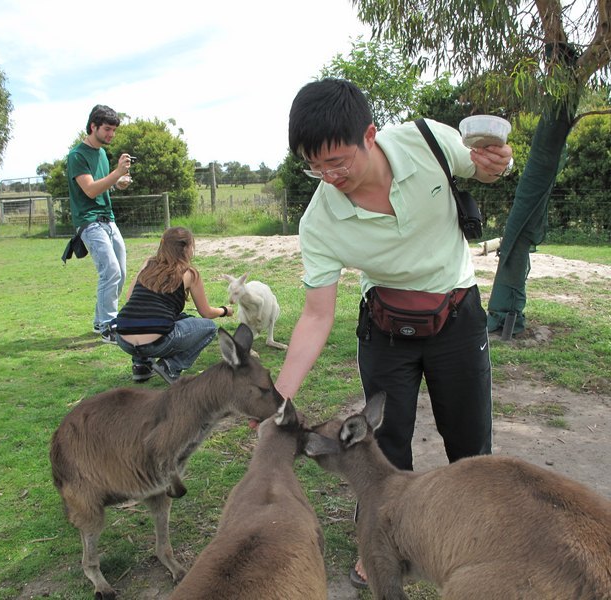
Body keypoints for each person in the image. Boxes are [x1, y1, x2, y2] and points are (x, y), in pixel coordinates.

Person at [275, 78, 514, 588]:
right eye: (314, 166)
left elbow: (482, 166)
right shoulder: (320, 221)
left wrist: (498, 163)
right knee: (383, 444)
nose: (328, 176)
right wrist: (280, 396)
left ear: (370, 135)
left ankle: (477, 537)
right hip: (385, 329)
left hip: (457, 315)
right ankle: (380, 544)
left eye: (337, 161)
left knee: (471, 442)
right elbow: (316, 315)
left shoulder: (426, 140)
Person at [114, 226, 234, 384]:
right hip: (155, 343)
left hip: (123, 338)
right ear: (185, 248)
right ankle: (170, 366)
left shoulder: (148, 263)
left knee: (150, 316)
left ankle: (141, 366)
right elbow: (206, 313)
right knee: (209, 328)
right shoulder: (189, 273)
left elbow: (130, 298)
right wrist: (224, 310)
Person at [67, 104, 133, 344]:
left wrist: (118, 183)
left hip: (108, 219)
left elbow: (103, 185)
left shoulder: (102, 154)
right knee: (110, 271)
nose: (111, 134)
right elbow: (90, 190)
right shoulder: (77, 156)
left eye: (114, 130)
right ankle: (108, 327)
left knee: (120, 272)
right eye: (107, 129)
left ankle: (99, 321)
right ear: (93, 126)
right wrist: (117, 173)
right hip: (90, 221)